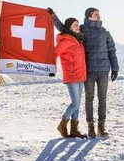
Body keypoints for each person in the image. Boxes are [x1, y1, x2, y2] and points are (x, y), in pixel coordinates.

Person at [49, 7, 119, 138]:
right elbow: (65, 29)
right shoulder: (83, 30)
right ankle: (90, 127)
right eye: (95, 14)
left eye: (99, 14)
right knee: (89, 99)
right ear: (88, 17)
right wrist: (53, 17)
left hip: (103, 71)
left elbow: (112, 51)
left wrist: (115, 67)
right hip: (89, 72)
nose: (99, 16)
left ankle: (101, 127)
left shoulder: (105, 33)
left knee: (102, 99)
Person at [54, 17, 87, 138]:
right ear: (69, 27)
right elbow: (54, 53)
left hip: (80, 75)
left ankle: (74, 130)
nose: (77, 26)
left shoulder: (78, 39)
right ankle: (62, 125)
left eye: (78, 24)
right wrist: (51, 68)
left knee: (77, 104)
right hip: (72, 75)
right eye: (74, 25)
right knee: (75, 104)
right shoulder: (66, 40)